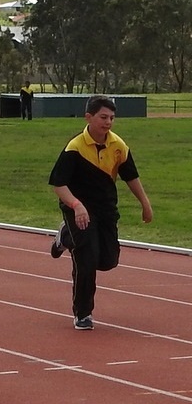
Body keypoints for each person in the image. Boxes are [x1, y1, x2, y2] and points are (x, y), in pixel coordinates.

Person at [48, 95, 153, 330]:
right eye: (103, 117)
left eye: (112, 118)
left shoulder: (118, 146)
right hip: (78, 210)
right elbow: (58, 185)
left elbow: (131, 177)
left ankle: (65, 237)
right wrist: (76, 206)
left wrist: (145, 203)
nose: (108, 122)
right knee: (86, 259)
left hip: (105, 209)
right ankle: (83, 313)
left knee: (107, 260)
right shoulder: (74, 147)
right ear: (89, 117)